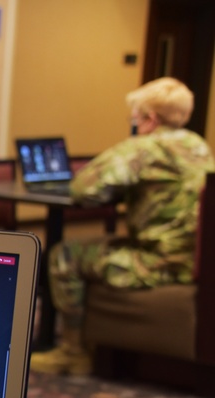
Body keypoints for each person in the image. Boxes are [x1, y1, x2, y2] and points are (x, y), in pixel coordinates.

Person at [30, 77, 215, 375]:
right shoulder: (198, 145)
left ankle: (73, 352)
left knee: (64, 255)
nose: (134, 124)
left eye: (135, 118)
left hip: (159, 262)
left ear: (150, 119)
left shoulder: (143, 147)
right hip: (198, 261)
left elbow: (84, 188)